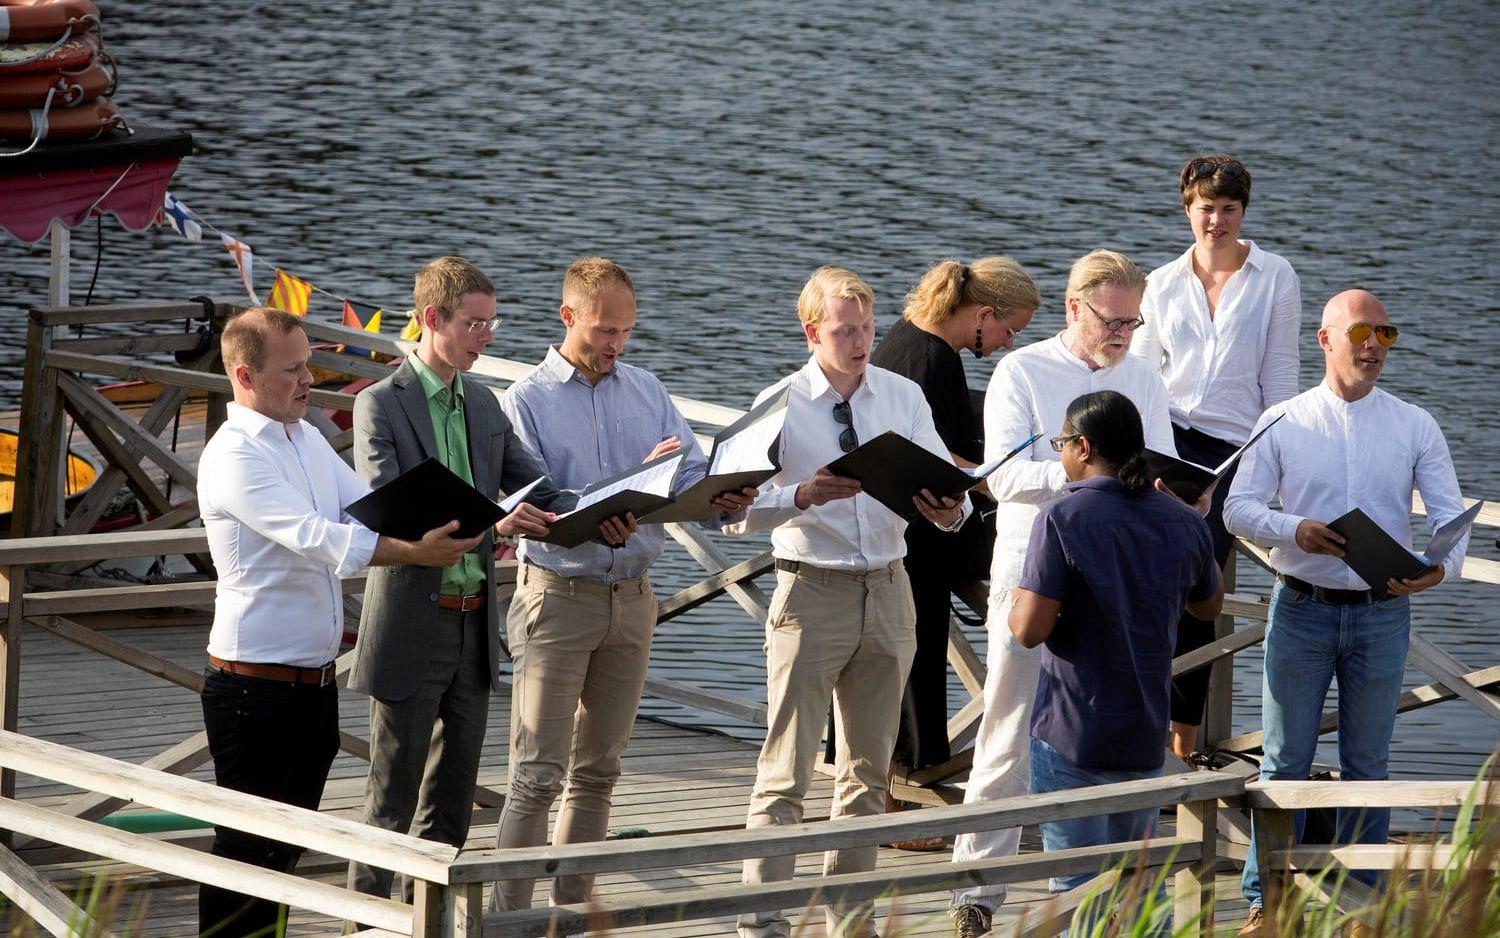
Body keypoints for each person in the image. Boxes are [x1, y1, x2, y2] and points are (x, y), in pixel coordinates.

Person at [196, 307, 480, 937]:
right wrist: (415, 553)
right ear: (245, 375)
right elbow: (316, 538)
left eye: (310, 366)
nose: (309, 381)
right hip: (253, 687)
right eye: (293, 370)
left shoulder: (305, 438)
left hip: (312, 685)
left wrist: (476, 521)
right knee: (246, 854)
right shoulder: (234, 454)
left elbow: (366, 511)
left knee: (286, 852)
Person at [490, 257, 755, 911]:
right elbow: (534, 505)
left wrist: (725, 493)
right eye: (604, 331)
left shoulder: (647, 389)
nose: (615, 345)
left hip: (635, 600)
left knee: (600, 772)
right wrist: (612, 496)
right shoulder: (524, 401)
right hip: (556, 597)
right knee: (537, 774)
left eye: (626, 332)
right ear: (567, 317)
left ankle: (572, 916)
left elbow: (691, 472)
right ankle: (506, 922)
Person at [722, 266, 969, 938]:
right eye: (844, 330)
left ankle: (849, 927)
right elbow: (731, 516)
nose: (861, 341)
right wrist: (798, 496)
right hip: (812, 591)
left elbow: (953, 499)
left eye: (866, 327)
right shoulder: (778, 402)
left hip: (892, 589)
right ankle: (762, 925)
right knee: (785, 774)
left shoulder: (903, 395)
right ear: (812, 333)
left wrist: (949, 509)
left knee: (866, 776)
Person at [1224, 290, 1468, 937]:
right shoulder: (1282, 420)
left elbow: (1449, 519)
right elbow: (1236, 508)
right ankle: (1265, 902)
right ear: (1324, 340)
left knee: (1370, 763)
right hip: (1301, 607)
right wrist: (1291, 529)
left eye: (1385, 334)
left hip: (1383, 611)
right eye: (1361, 331)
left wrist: (1441, 566)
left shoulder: (1416, 424)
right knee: (1285, 760)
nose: (1373, 346)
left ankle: (1362, 904)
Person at [950, 249, 1177, 938]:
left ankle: (1104, 886)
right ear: (1075, 308)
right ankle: (978, 889)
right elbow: (1006, 478)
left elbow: (1158, 462)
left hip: (1114, 582)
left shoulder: (1143, 374)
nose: (1123, 334)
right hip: (1032, 574)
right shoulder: (1022, 369)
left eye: (1134, 322)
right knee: (1008, 728)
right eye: (1112, 320)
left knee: (1106, 729)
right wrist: (1099, 476)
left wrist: (1132, 481)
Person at [346, 257, 576, 904]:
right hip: (411, 623)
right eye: (474, 324)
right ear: (430, 320)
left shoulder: (483, 401)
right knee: (390, 803)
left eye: (491, 322)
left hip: (474, 625)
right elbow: (391, 499)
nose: (488, 335)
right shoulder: (379, 404)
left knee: (451, 809)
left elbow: (541, 488)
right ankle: (363, 922)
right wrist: (498, 522)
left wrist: (628, 486)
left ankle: (432, 923)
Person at [1010, 390, 1221, 927]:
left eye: (1061, 443)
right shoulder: (1181, 521)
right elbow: (1208, 604)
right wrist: (1193, 520)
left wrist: (1018, 594)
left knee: (1078, 887)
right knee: (1140, 887)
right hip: (1144, 730)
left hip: (1072, 729)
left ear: (1083, 447)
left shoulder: (1062, 516)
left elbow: (1029, 631)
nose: (1060, 454)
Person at [1130, 154, 1302, 759]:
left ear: (1243, 212)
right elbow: (1142, 375)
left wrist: (1273, 464)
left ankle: (1182, 735)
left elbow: (1281, 378)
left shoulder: (1276, 275)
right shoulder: (1160, 281)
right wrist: (1145, 459)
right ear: (1187, 209)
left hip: (1236, 447)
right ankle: (1136, 723)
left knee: (1199, 586)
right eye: (1207, 208)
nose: (1217, 221)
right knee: (1149, 582)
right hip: (1166, 441)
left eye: (1230, 209)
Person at [867, 257, 1039, 848]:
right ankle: (884, 808)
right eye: (1010, 329)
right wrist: (1009, 477)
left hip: (895, 521)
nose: (1009, 343)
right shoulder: (934, 359)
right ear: (983, 314)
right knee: (899, 660)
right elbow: (940, 456)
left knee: (891, 661)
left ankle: (881, 798)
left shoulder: (907, 336)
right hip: (911, 531)